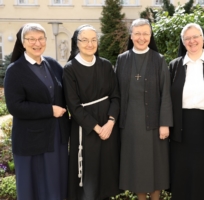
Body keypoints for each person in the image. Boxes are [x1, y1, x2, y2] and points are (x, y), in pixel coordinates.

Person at [4, 23, 70, 200]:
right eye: (31, 39)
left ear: (46, 41)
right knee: (34, 188)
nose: (37, 43)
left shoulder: (54, 65)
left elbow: (68, 93)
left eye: (41, 38)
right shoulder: (15, 70)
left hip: (56, 137)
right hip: (30, 141)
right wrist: (49, 110)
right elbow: (15, 106)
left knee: (56, 187)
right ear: (23, 43)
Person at [116, 18, 173, 200]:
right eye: (138, 34)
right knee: (137, 167)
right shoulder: (122, 59)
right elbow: (116, 93)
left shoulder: (159, 59)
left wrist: (165, 123)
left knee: (156, 166)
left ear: (150, 36)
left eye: (146, 34)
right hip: (130, 124)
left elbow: (166, 93)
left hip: (155, 124)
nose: (142, 38)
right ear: (131, 36)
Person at [169, 23, 204, 200]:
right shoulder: (174, 65)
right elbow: (167, 100)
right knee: (183, 173)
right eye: (187, 38)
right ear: (183, 42)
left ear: (203, 39)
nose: (192, 41)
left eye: (196, 37)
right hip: (181, 129)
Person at [63, 24, 120, 200]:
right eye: (85, 40)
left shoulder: (105, 65)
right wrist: (97, 128)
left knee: (107, 175)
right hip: (85, 129)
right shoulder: (70, 69)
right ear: (76, 42)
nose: (90, 44)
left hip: (108, 127)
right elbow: (73, 105)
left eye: (94, 40)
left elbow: (116, 97)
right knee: (89, 179)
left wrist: (110, 123)